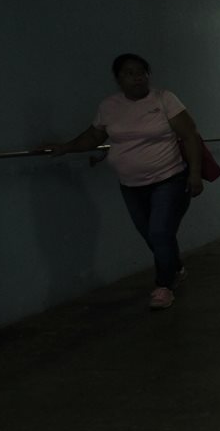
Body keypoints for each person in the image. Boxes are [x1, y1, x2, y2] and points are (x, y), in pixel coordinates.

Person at [45, 53, 205, 310]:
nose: (138, 77)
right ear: (118, 78)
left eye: (142, 72)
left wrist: (195, 174)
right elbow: (94, 136)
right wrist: (65, 147)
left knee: (160, 232)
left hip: (169, 179)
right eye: (130, 73)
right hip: (131, 186)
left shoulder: (164, 99)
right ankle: (176, 268)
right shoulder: (109, 106)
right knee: (152, 237)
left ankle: (164, 286)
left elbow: (190, 135)